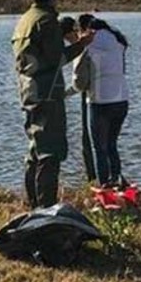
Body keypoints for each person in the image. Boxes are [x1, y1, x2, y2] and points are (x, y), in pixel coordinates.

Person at [11, 0, 92, 208]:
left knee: (35, 147)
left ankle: (33, 204)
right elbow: (58, 58)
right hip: (47, 91)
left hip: (28, 90)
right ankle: (46, 208)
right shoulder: (46, 21)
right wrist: (82, 44)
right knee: (50, 150)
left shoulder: (24, 20)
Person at [84, 16, 129, 187]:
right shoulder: (118, 43)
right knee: (112, 144)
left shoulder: (90, 42)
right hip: (122, 99)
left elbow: (80, 73)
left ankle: (104, 185)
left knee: (99, 148)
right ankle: (117, 180)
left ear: (87, 29)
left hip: (100, 100)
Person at [64, 13, 97, 184]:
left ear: (76, 31)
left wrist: (64, 94)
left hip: (93, 99)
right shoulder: (100, 41)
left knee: (90, 140)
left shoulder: (82, 48)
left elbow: (79, 83)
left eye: (67, 36)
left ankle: (94, 180)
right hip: (112, 96)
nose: (67, 41)